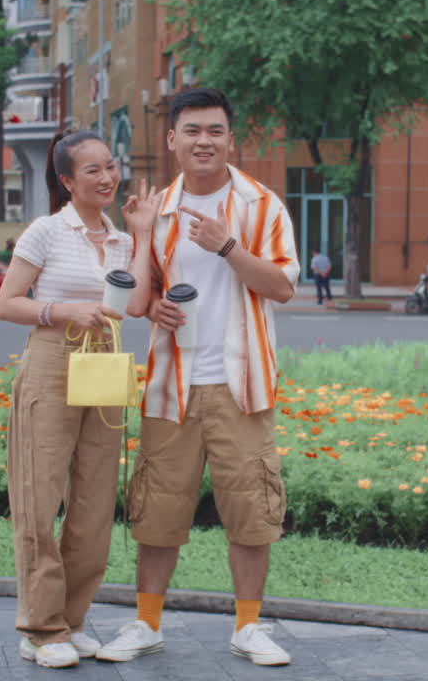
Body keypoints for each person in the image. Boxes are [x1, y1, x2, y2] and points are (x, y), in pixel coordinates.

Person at [96, 88, 300, 667]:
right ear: (172, 140)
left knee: (251, 509)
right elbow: (137, 299)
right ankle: (146, 622)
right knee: (158, 507)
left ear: (230, 139)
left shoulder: (262, 206)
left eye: (214, 131)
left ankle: (249, 627)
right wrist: (156, 296)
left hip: (243, 384)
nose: (203, 141)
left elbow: (283, 286)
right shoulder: (155, 210)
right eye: (192, 131)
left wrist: (227, 246)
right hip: (172, 383)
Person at [0, 130, 157, 669]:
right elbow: (7, 303)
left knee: (93, 503)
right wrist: (62, 310)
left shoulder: (119, 239)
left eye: (110, 166)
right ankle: (40, 629)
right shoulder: (46, 231)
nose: (107, 178)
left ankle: (74, 620)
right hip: (51, 362)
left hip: (106, 361)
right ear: (66, 181)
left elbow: (132, 306)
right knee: (40, 502)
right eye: (92, 170)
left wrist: (144, 232)